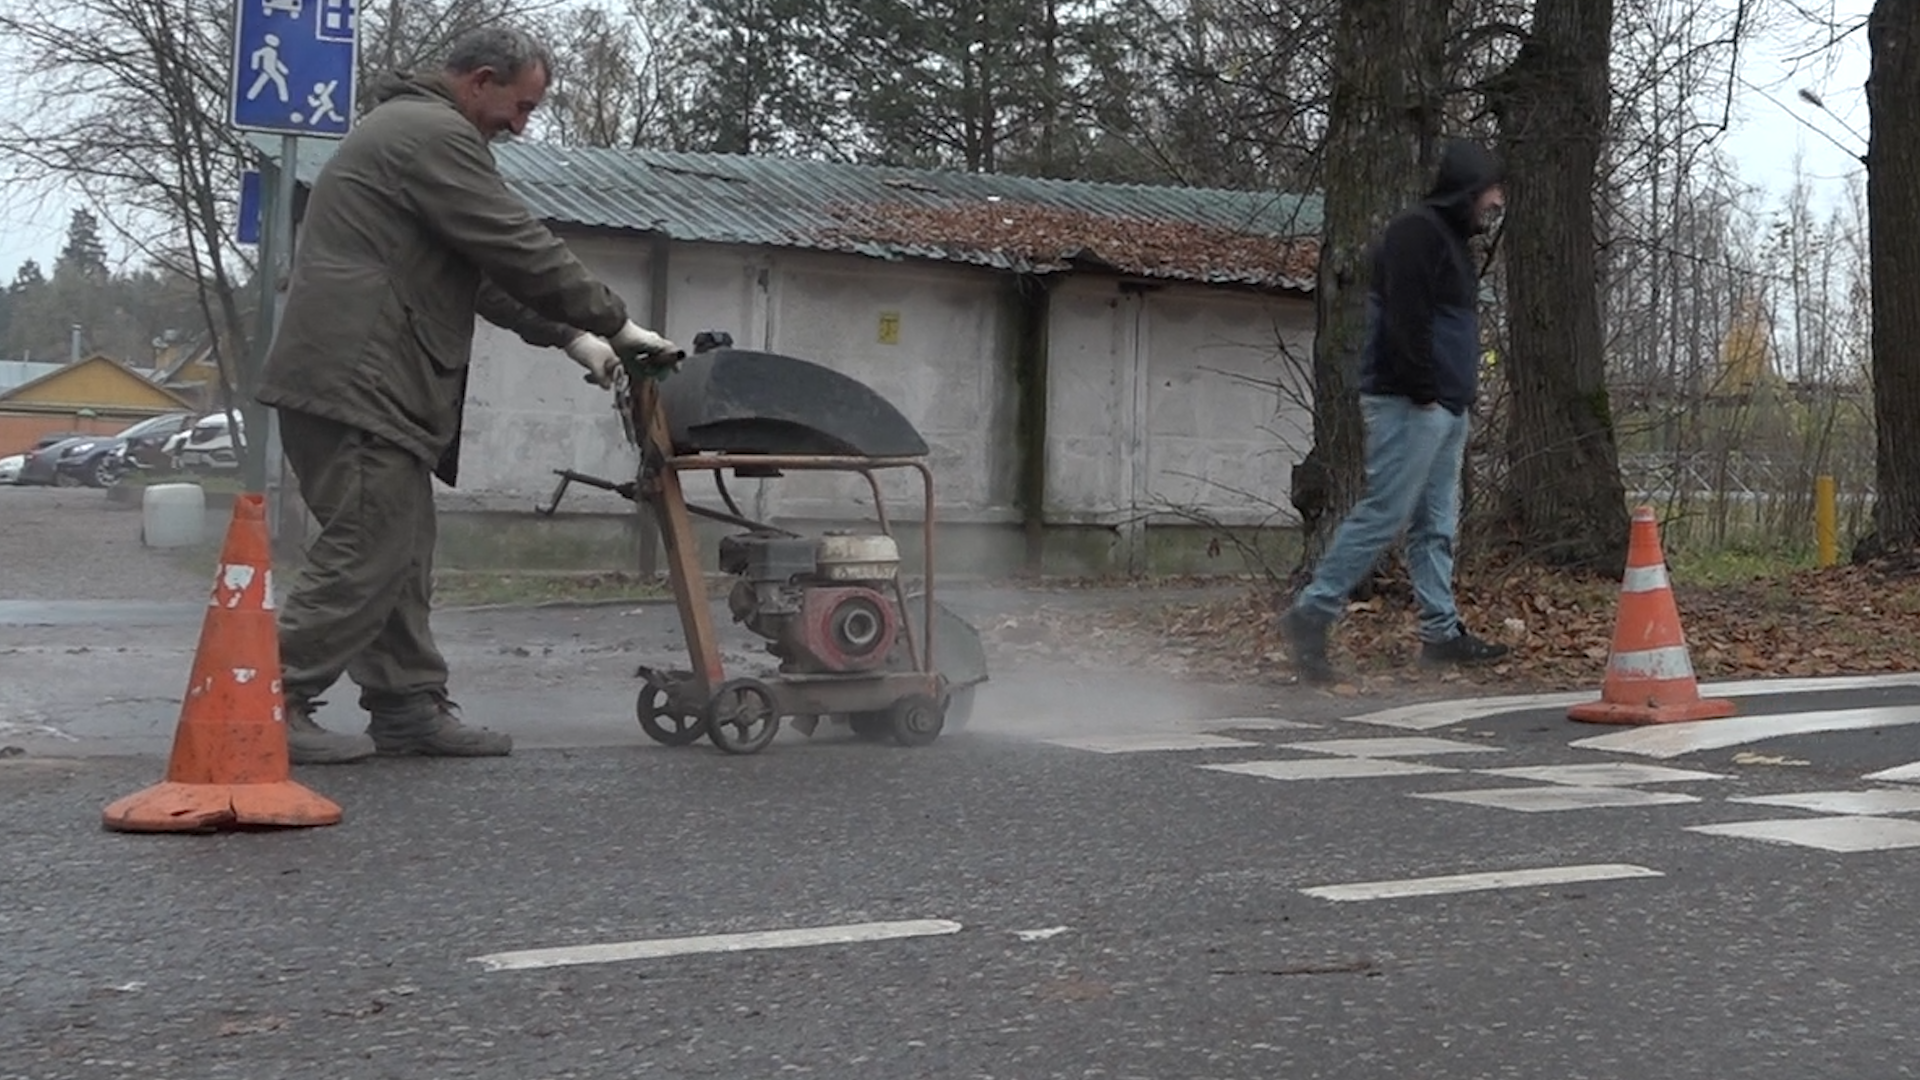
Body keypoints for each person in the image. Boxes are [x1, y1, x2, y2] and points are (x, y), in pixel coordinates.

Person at [256, 26, 680, 764]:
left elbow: (477, 273)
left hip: (367, 378)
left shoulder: (409, 134)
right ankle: (262, 701)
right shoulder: (429, 135)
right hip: (362, 377)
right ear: (479, 80)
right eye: (520, 107)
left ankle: (407, 705)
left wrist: (574, 339)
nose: (521, 127)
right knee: (370, 545)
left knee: (401, 547)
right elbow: (516, 244)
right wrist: (617, 322)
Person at [1279, 138, 1512, 685]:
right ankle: (1312, 612)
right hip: (1412, 402)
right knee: (1384, 513)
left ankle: (1440, 634)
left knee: (1435, 526)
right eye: (1492, 192)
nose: (1497, 203)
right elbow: (1405, 317)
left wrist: (1454, 397)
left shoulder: (1450, 241)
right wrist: (1425, 388)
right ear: (1470, 189)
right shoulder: (1416, 233)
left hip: (1443, 406)